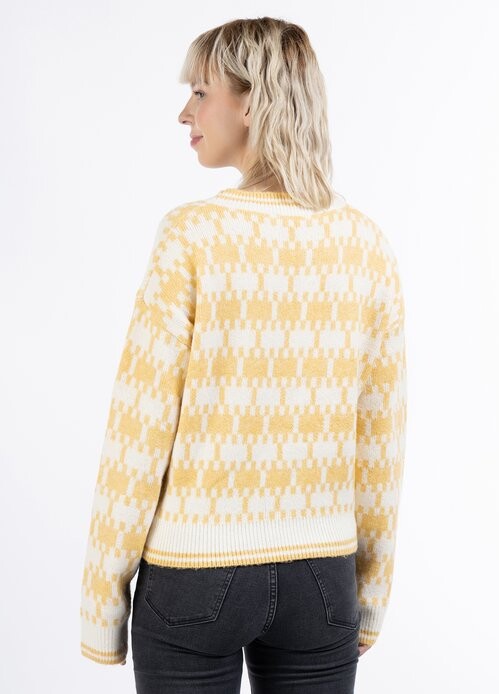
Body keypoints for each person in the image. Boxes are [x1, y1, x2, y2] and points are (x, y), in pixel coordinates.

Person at [80, 16, 407, 694]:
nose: (185, 113)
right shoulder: (365, 244)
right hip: (323, 577)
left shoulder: (192, 236)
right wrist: (370, 591)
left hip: (195, 574)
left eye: (201, 93)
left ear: (252, 101)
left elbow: (139, 427)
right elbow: (380, 436)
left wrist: (102, 600)